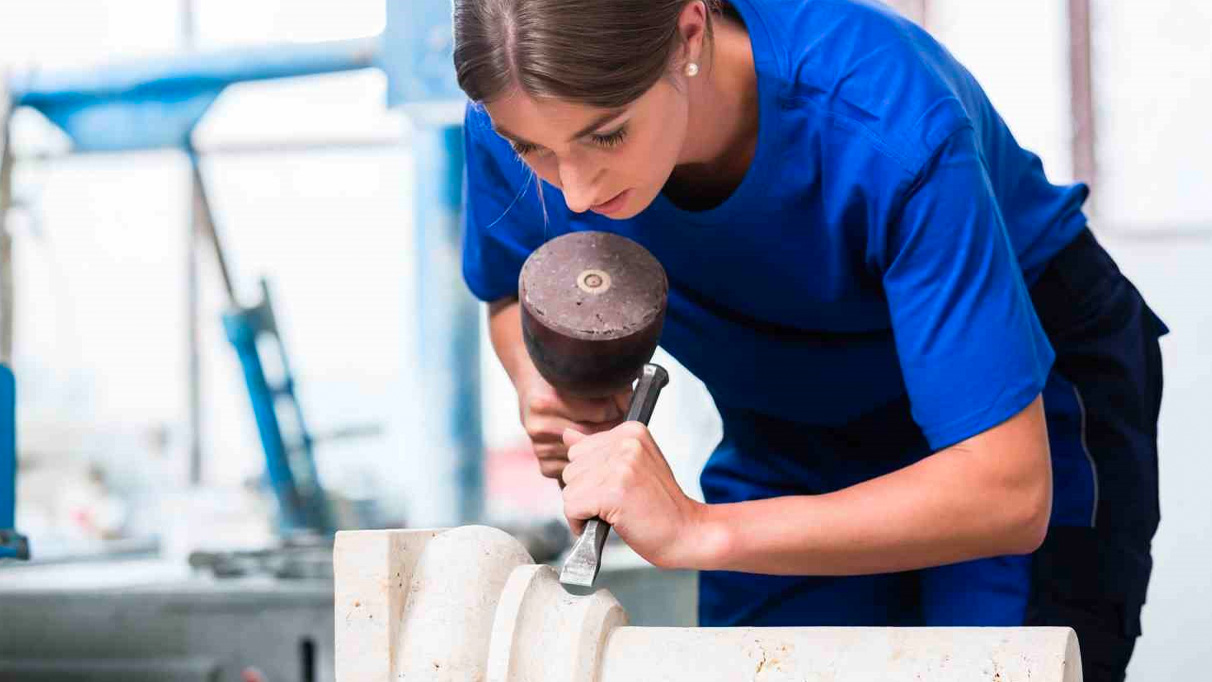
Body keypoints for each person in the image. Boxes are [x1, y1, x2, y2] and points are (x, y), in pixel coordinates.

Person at [451, 1, 1166, 679]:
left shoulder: (888, 120)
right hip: (791, 424)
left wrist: (700, 531)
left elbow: (1005, 495)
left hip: (1022, 405)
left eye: (607, 134)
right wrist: (543, 385)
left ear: (691, 32)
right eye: (534, 151)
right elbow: (513, 283)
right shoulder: (518, 106)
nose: (573, 192)